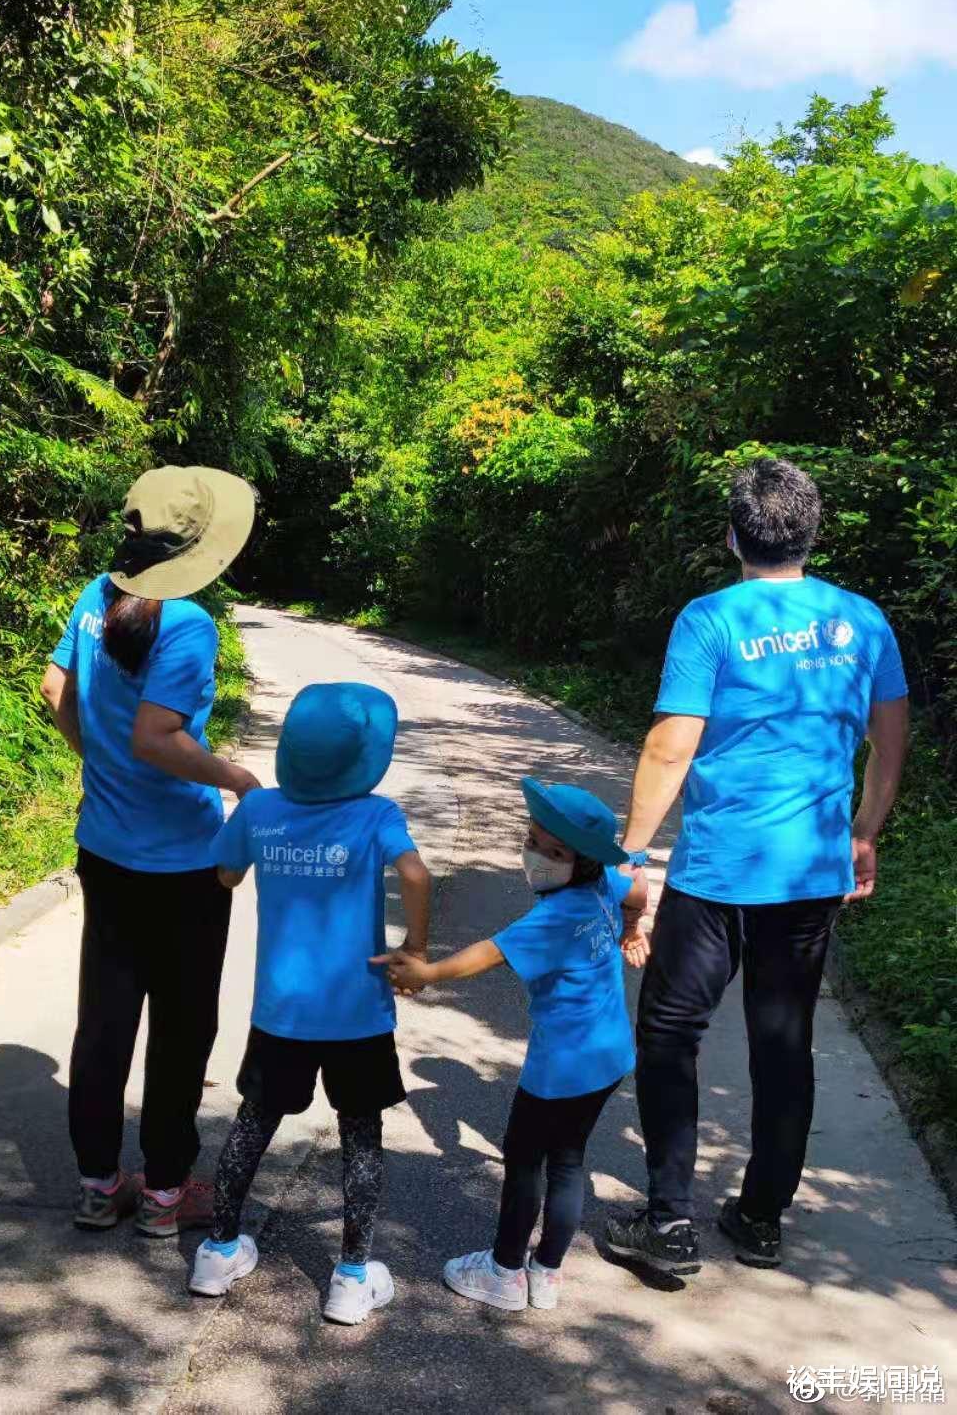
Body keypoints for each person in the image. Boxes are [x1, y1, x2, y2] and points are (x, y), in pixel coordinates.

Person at [605, 456, 909, 1278]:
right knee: (784, 1043)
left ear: (734, 535)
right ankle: (761, 1218)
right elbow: (890, 738)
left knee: (671, 1032)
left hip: (717, 871)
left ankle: (669, 1223)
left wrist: (632, 853)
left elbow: (671, 745)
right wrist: (866, 831)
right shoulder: (862, 620)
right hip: (810, 873)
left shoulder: (710, 618)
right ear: (811, 532)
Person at [41, 464, 261, 1237]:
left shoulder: (95, 597)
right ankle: (166, 1193)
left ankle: (99, 1185)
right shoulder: (189, 623)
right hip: (184, 864)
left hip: (105, 848)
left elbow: (54, 690)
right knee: (181, 1028)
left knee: (103, 1021)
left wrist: (94, 761)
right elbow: (157, 737)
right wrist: (237, 777)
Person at [190, 681, 432, 1326]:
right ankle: (351, 1277)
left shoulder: (261, 809)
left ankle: (217, 1252)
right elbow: (415, 874)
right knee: (361, 1134)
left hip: (282, 1008)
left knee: (254, 1123)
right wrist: (415, 949)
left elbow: (225, 875)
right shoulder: (377, 815)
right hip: (357, 1010)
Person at [378, 778, 648, 1313]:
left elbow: (490, 952)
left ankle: (503, 1271)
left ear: (584, 862)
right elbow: (636, 887)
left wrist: (428, 973)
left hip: (560, 1065)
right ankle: (546, 1273)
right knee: (568, 1161)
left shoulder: (555, 916)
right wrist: (633, 927)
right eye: (532, 841)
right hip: (611, 1054)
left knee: (525, 1162)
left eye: (555, 852)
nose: (536, 856)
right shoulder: (601, 886)